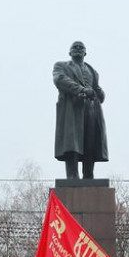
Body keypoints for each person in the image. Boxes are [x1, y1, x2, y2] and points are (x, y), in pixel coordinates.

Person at [53, 40, 108, 180]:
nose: (78, 49)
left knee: (91, 142)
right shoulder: (61, 66)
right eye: (75, 47)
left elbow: (97, 90)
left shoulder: (92, 71)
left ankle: (88, 175)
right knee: (72, 142)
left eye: (81, 47)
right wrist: (81, 90)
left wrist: (100, 93)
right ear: (70, 52)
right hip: (72, 110)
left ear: (85, 52)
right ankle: (72, 176)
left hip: (91, 110)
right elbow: (60, 80)